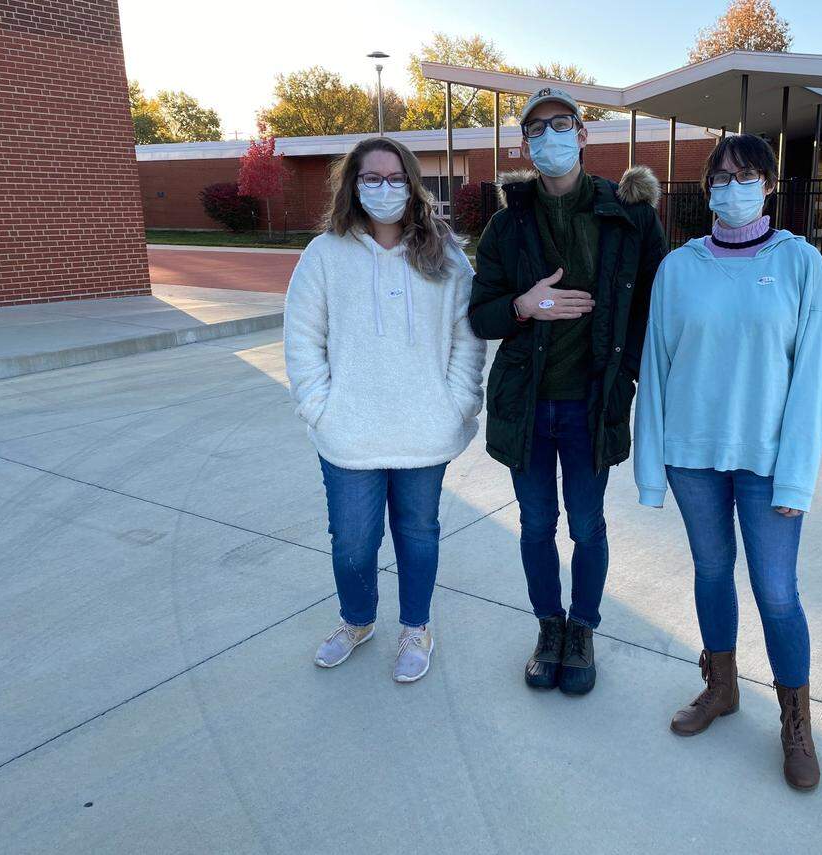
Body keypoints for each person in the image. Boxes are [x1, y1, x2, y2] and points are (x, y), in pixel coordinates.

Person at [633, 133, 822, 789]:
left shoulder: (800, 263)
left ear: (769, 185)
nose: (733, 186)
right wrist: (650, 466)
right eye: (721, 176)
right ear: (707, 188)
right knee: (712, 571)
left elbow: (813, 379)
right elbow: (656, 370)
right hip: (692, 458)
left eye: (747, 175)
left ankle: (795, 722)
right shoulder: (678, 267)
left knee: (777, 592)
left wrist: (797, 476)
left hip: (768, 464)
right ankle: (720, 687)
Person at [470, 87, 667, 695]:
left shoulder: (627, 214)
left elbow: (652, 307)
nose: (548, 137)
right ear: (524, 145)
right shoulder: (508, 225)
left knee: (586, 524)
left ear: (583, 135)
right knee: (534, 525)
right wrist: (525, 306)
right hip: (525, 405)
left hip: (590, 405)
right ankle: (548, 626)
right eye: (536, 130)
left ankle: (582, 627)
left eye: (561, 125)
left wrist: (627, 374)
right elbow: (482, 315)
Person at [284, 137, 486, 683]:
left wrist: (458, 402)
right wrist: (319, 407)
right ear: (353, 185)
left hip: (425, 430)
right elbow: (303, 338)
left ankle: (416, 627)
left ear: (413, 183)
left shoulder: (444, 254)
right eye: (370, 178)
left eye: (395, 178)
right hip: (349, 432)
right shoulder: (324, 254)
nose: (383, 189)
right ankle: (357, 621)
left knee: (418, 534)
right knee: (352, 543)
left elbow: (467, 338)